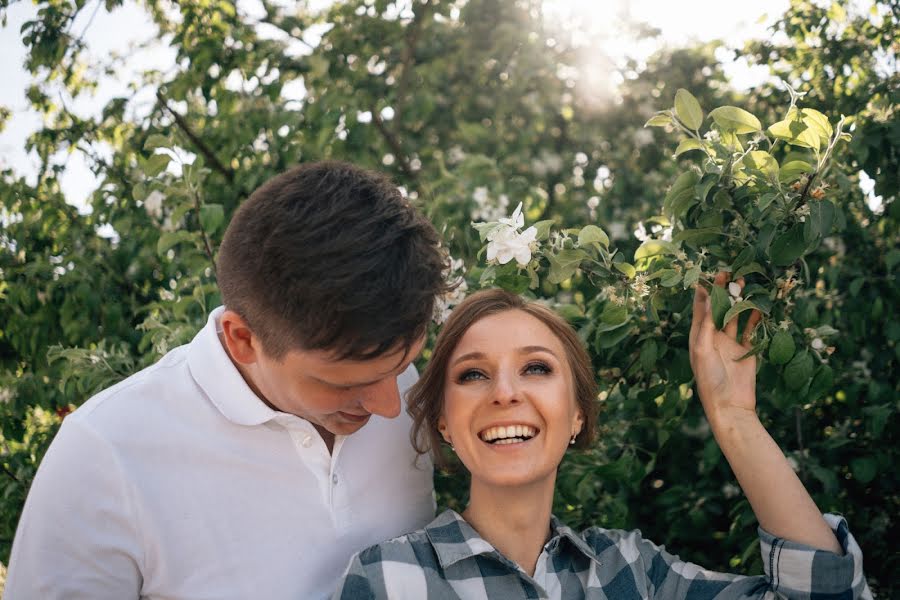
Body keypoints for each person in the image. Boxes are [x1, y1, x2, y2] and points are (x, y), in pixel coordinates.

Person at [4, 161, 450, 599]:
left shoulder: (396, 378)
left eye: (399, 367)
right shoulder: (103, 455)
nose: (393, 407)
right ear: (242, 340)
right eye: (341, 383)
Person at [333, 285, 871, 599]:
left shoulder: (634, 573)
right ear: (445, 423)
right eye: (472, 375)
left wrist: (735, 418)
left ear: (576, 416)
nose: (505, 393)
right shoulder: (386, 579)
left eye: (536, 368)